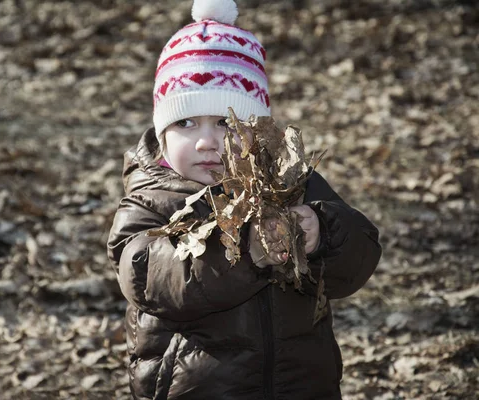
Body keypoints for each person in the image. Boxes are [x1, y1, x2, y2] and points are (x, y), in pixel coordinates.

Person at [107, 0, 382, 399]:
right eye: (185, 122)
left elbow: (360, 258)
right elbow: (146, 276)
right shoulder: (151, 200)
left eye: (225, 123)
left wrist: (322, 234)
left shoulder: (292, 185)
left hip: (299, 386)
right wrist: (242, 250)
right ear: (161, 131)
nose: (206, 141)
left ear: (257, 129)